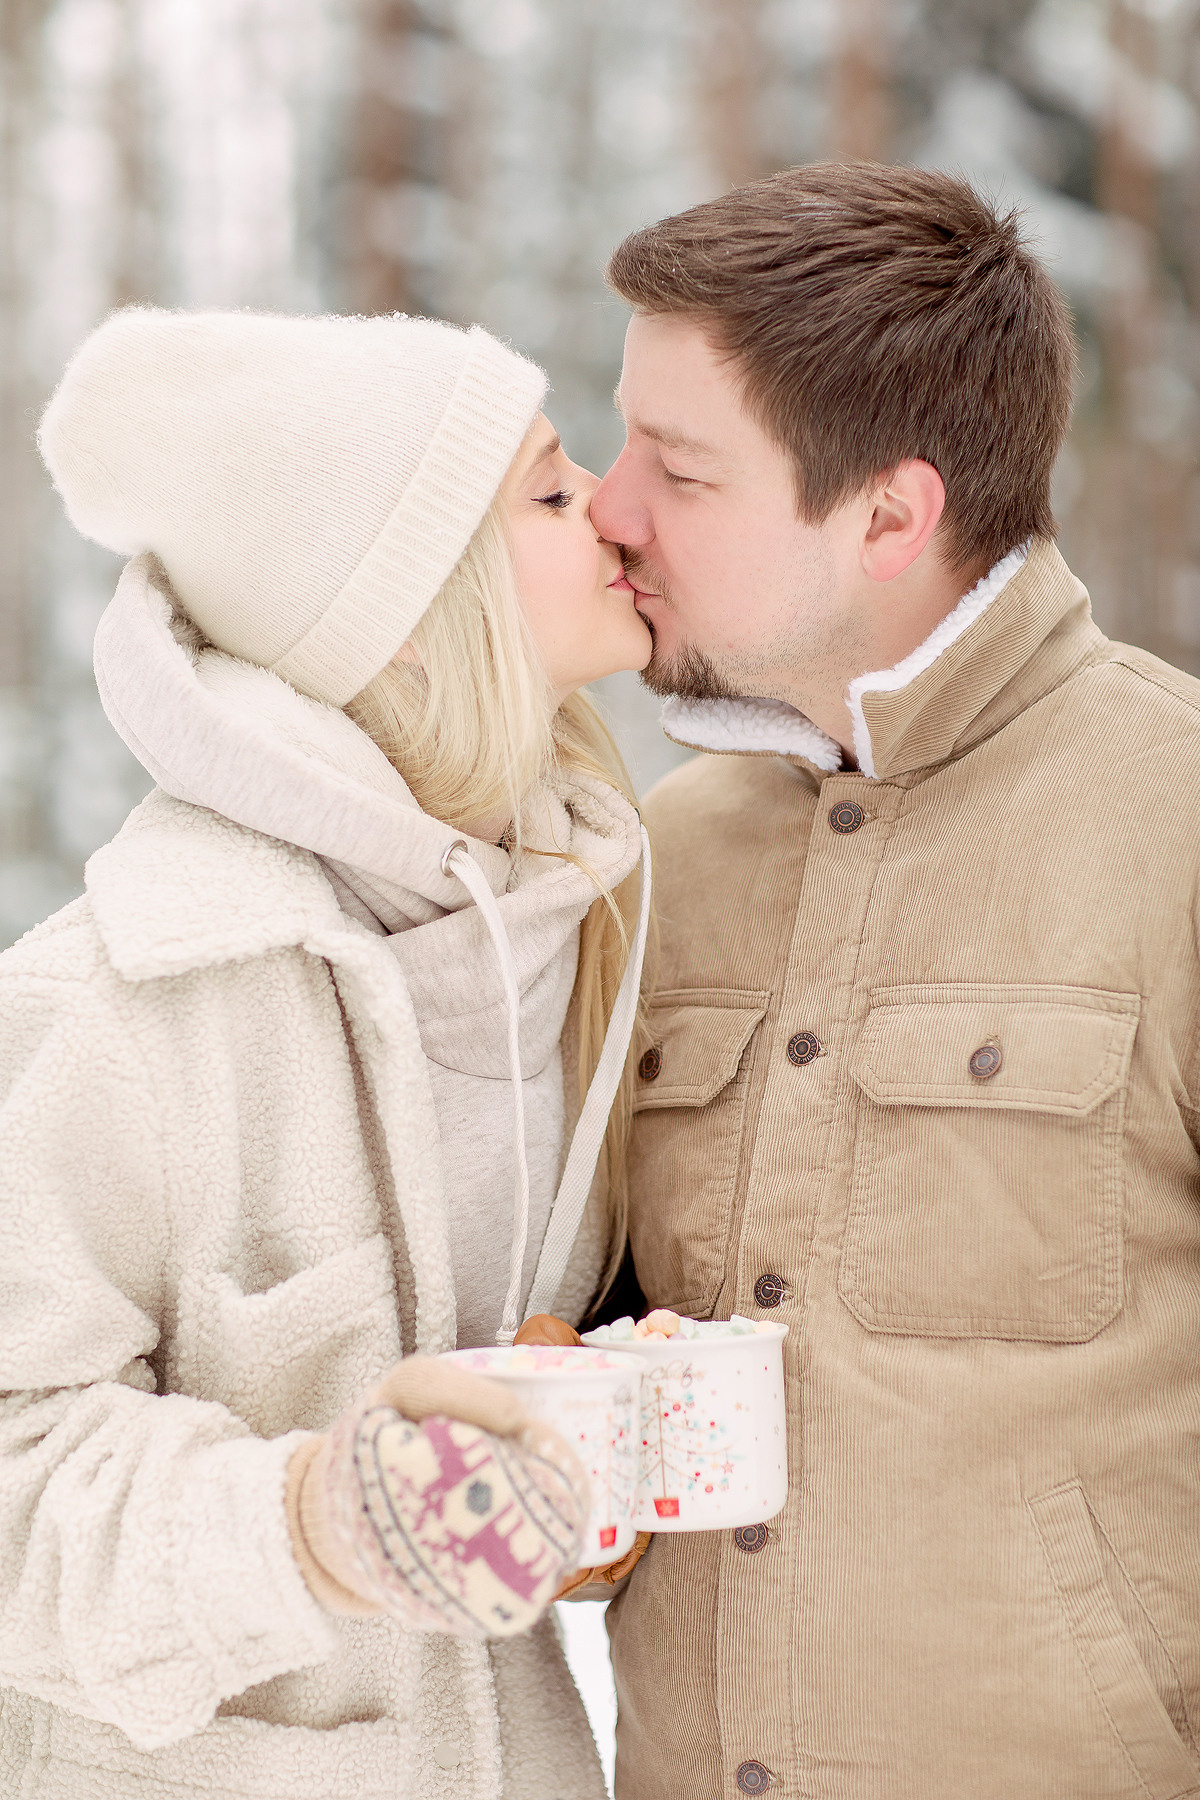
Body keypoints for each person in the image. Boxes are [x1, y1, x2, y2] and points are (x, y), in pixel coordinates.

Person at [589, 162, 1200, 1800]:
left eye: (683, 467)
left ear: (889, 516)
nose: (613, 507)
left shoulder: (1177, 822)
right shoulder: (656, 858)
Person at [0, 307, 653, 1799]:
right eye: (552, 495)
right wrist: (308, 1528)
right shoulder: (115, 1003)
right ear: (412, 614)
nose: (613, 507)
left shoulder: (579, 934)